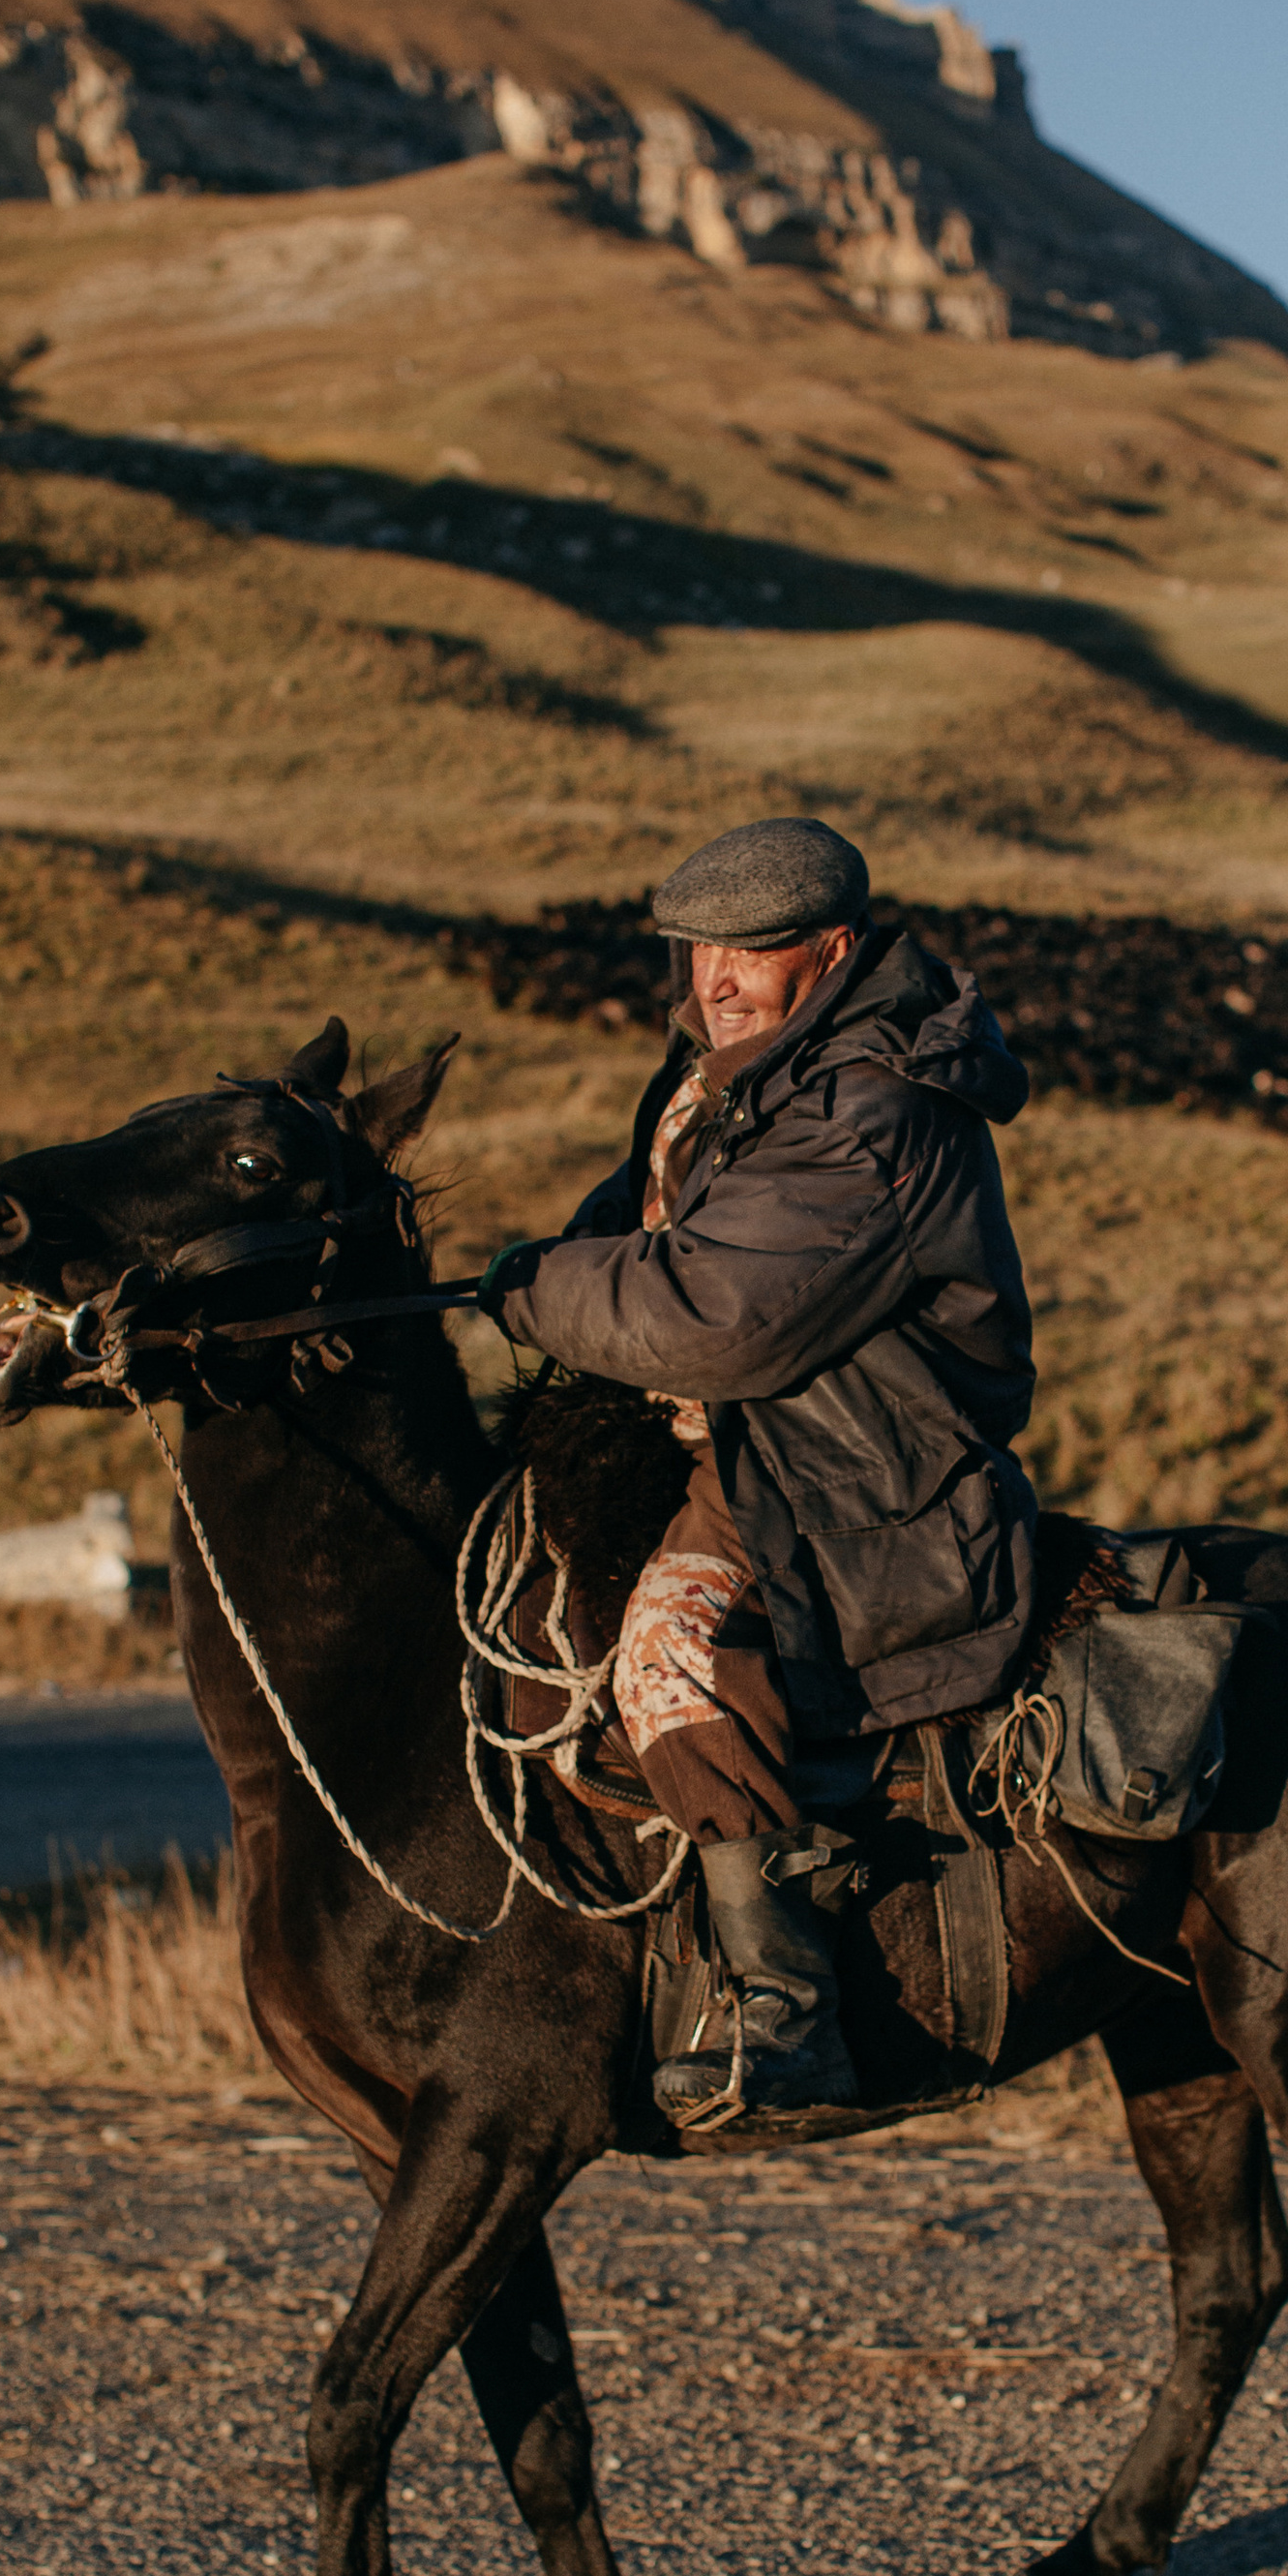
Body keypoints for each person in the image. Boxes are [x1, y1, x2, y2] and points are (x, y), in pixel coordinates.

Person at [480, 818, 1037, 2117]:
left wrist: (532, 1294)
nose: (716, 977)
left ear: (832, 951)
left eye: (753, 950)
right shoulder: (728, 1073)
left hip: (843, 1463)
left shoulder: (873, 1106)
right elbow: (628, 1233)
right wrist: (549, 1274)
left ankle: (788, 2014)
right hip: (736, 1435)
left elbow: (713, 1316)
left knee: (666, 1650)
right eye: (700, 951)